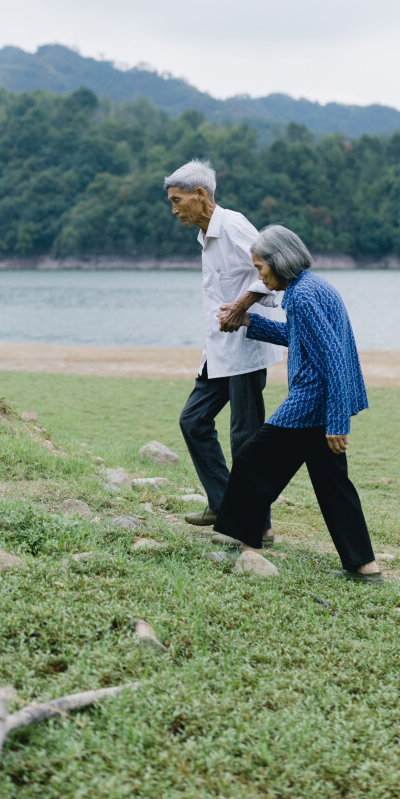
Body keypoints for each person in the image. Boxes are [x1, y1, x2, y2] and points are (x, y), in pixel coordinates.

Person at [215, 223, 382, 582]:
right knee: (333, 485)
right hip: (324, 403)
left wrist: (338, 423)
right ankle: (364, 565)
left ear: (279, 261)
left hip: (311, 403)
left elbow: (335, 360)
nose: (260, 277)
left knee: (251, 460)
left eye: (260, 268)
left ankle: (249, 546)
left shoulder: (304, 296)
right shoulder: (312, 286)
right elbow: (299, 336)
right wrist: (250, 321)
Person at [164, 159, 283, 535]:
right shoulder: (205, 236)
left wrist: (243, 304)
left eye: (177, 200)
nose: (174, 209)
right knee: (193, 421)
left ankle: (256, 523)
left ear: (201, 194)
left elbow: (277, 266)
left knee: (245, 436)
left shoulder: (233, 226)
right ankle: (223, 503)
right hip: (216, 351)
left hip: (246, 347)